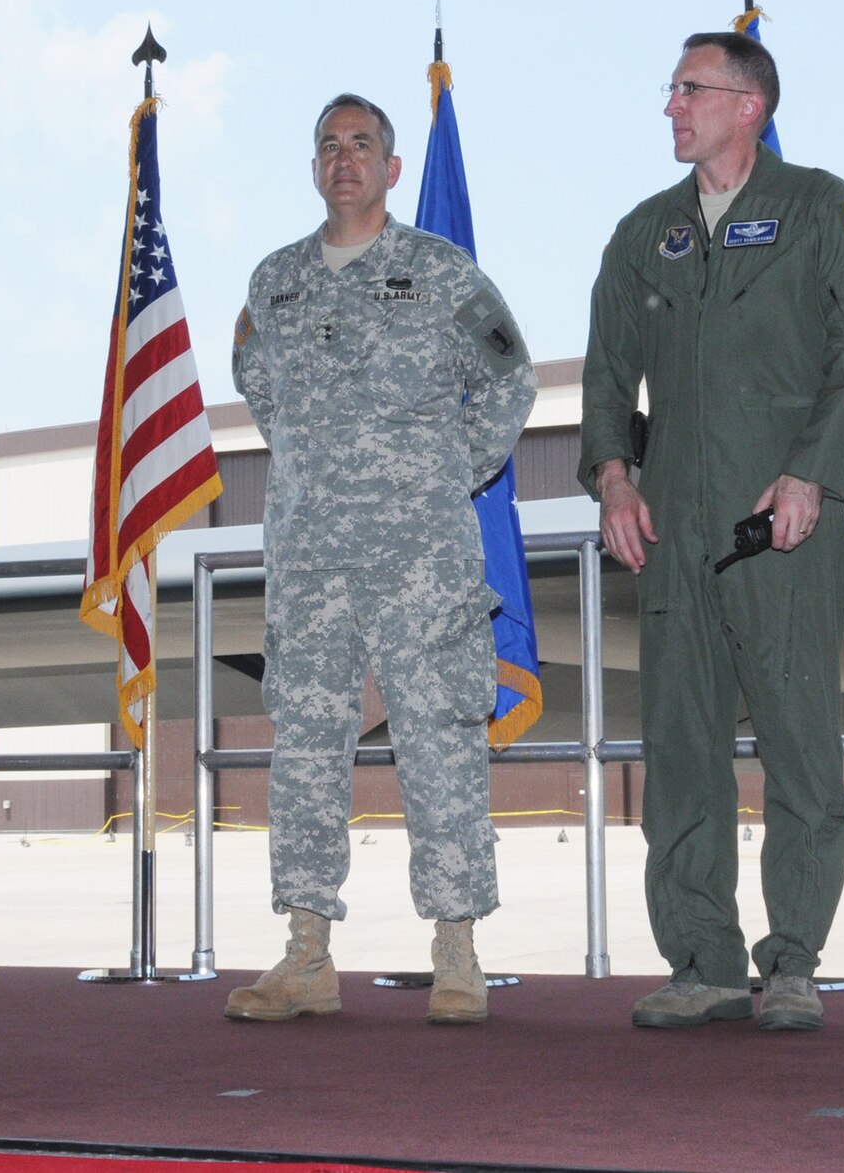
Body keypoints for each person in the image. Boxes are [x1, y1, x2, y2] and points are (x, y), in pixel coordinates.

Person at [579, 33, 844, 1032]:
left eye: (690, 89)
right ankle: (703, 959)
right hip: (671, 530)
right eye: (671, 89)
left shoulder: (815, 206)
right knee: (678, 748)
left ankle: (791, 958)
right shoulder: (646, 231)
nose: (670, 106)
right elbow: (603, 368)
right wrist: (613, 477)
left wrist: (815, 472)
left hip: (780, 525)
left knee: (798, 740)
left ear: (748, 102)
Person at [228, 93, 535, 1025]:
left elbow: (508, 379)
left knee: (440, 737)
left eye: (362, 144)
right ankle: (308, 950)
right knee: (307, 748)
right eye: (328, 144)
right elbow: (259, 388)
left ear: (393, 168)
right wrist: (322, 475)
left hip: (420, 555)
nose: (344, 158)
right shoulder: (274, 281)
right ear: (313, 165)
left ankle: (456, 950)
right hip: (311, 554)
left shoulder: (441, 273)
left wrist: (441, 474)